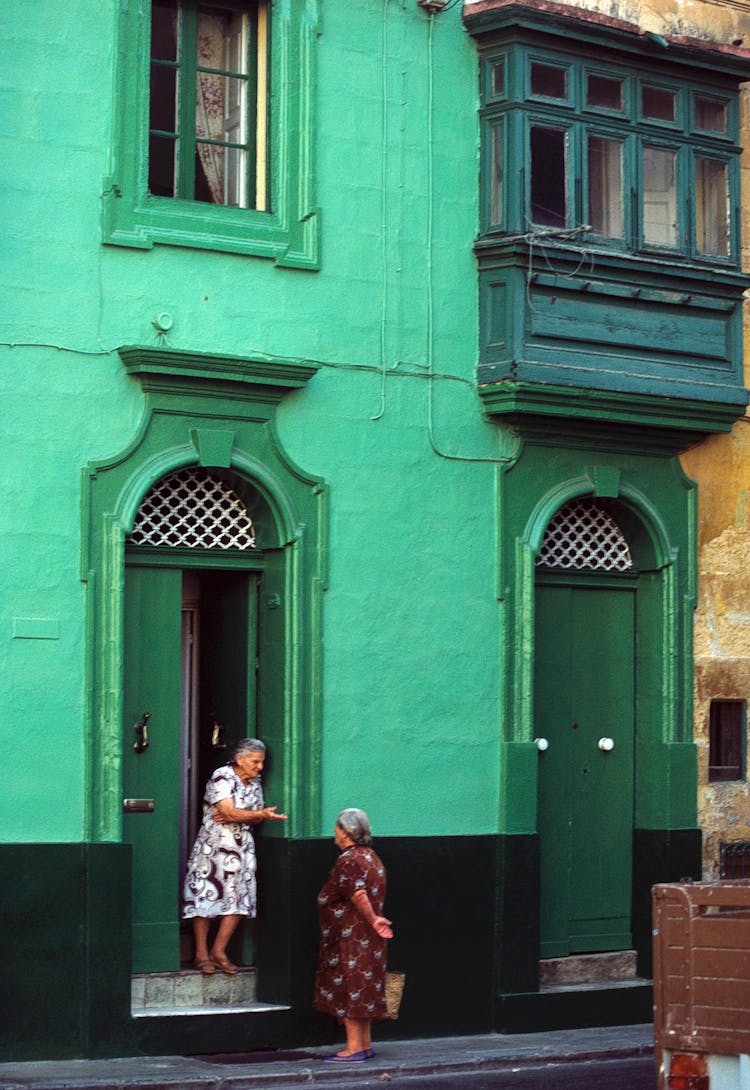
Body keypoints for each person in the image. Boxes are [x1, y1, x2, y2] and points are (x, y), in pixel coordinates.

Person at [182, 737, 287, 975]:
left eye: (261, 762)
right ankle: (200, 954)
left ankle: (218, 951)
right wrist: (246, 814)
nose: (260, 767)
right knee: (203, 894)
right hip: (214, 846)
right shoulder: (222, 776)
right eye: (255, 761)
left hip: (241, 849)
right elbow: (228, 811)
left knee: (239, 899)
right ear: (239, 759)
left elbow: (252, 816)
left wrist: (246, 815)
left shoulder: (255, 782)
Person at [313, 808, 393, 1062]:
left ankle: (353, 1048)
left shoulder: (348, 860)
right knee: (364, 988)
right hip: (367, 939)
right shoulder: (371, 857)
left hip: (350, 938)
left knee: (350, 988)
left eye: (337, 828)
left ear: (346, 832)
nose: (334, 833)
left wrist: (373, 919)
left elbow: (357, 894)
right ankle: (364, 1044)